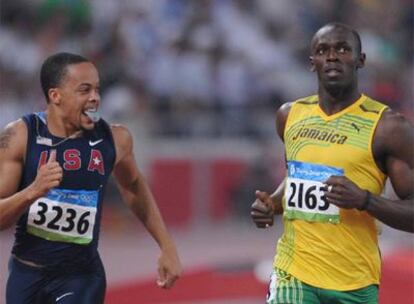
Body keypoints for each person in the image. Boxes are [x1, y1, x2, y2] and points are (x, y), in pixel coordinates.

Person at [251, 23, 413, 304]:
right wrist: (273, 204)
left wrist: (364, 200)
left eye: (342, 49)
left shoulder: (388, 127)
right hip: (294, 273)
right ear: (312, 62)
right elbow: (298, 178)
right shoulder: (290, 116)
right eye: (323, 51)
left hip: (355, 281)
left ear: (360, 60)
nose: (332, 57)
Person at [0, 52, 182, 304]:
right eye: (84, 90)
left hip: (81, 277)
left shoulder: (115, 139)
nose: (94, 98)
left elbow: (134, 186)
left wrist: (167, 246)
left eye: (97, 89)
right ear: (56, 95)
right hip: (26, 274)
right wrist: (33, 191)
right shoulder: (20, 136)